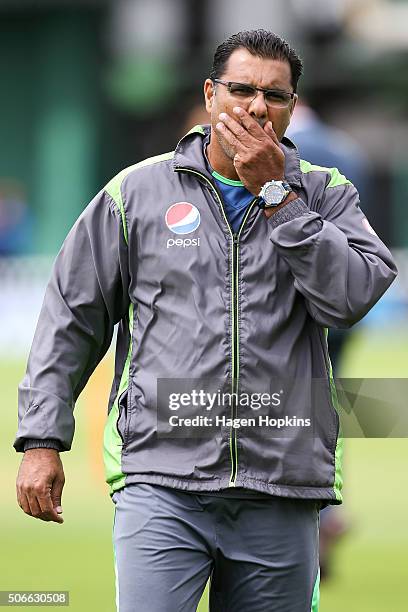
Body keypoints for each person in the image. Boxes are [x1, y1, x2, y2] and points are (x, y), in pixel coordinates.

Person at [14, 30, 397, 611]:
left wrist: (279, 196)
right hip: (162, 480)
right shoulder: (135, 193)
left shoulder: (325, 194)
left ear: (294, 108)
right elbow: (69, 319)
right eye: (241, 89)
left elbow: (351, 298)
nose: (256, 107)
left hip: (283, 485)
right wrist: (42, 440)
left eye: (276, 95)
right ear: (210, 94)